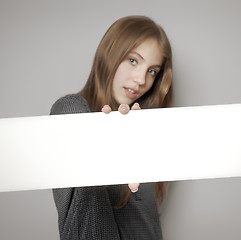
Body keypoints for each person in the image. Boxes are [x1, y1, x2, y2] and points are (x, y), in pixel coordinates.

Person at [50, 15, 173, 240]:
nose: (141, 80)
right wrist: (103, 150)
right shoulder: (71, 109)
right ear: (110, 53)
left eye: (152, 71)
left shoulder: (142, 130)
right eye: (133, 61)